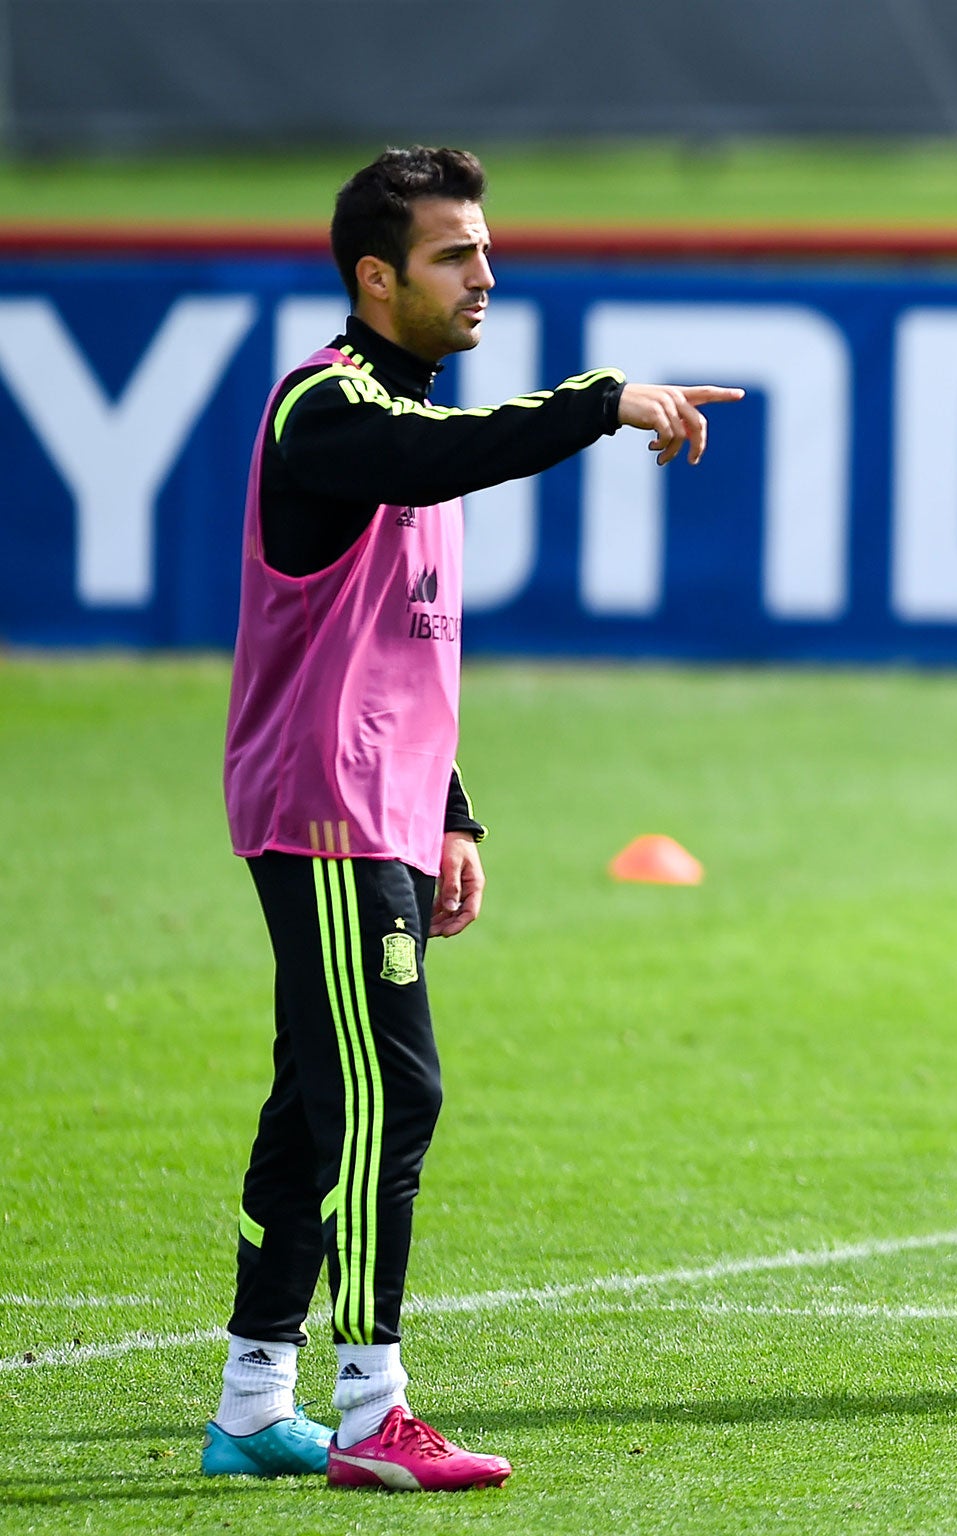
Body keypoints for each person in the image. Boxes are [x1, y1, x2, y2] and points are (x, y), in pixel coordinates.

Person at [204, 146, 743, 1491]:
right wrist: (602, 400)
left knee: (321, 1097)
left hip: (382, 809)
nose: (487, 275)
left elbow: (394, 648)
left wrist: (452, 809)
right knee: (396, 1086)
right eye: (457, 255)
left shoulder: (398, 413)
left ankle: (252, 1402)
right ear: (376, 276)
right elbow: (440, 461)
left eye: (486, 250)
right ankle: (374, 1411)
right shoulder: (325, 413)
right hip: (324, 816)